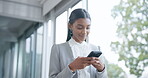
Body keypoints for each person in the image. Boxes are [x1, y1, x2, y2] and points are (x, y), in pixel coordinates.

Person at [49, 8, 108, 78]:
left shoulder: (95, 48)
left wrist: (101, 70)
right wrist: (71, 67)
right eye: (80, 27)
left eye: (88, 28)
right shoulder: (58, 49)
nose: (84, 32)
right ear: (70, 26)